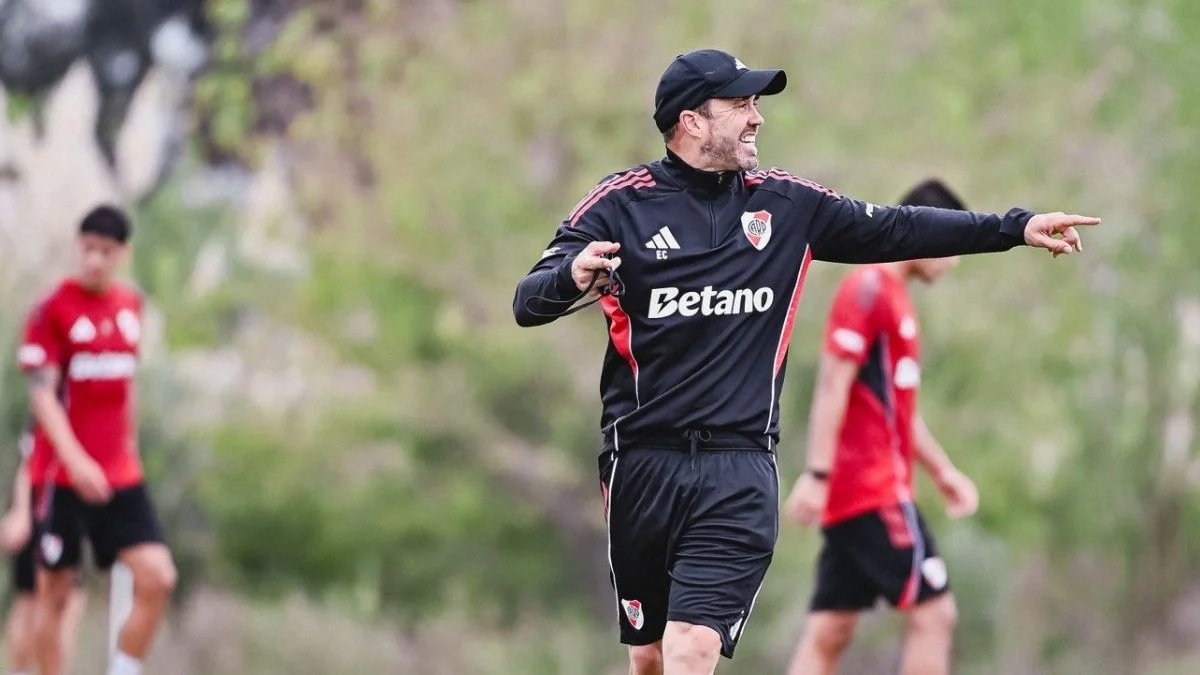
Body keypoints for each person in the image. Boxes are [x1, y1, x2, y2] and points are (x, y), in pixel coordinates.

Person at [511, 48, 1099, 675]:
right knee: (650, 655)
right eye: (740, 104)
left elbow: (898, 227)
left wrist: (1014, 227)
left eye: (756, 103)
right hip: (642, 465)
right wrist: (572, 277)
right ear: (691, 121)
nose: (756, 117)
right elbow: (528, 301)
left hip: (738, 467)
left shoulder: (789, 206)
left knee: (691, 647)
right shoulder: (620, 204)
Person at [783, 179, 982, 675]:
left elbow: (898, 412)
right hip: (872, 490)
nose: (954, 260)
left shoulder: (896, 298)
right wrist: (817, 474)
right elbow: (832, 382)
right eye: (952, 243)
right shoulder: (868, 288)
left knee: (831, 630)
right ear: (928, 232)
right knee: (935, 615)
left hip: (857, 495)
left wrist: (942, 471)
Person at [17, 205, 177, 675]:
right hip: (62, 477)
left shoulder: (130, 306)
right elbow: (42, 396)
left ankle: (124, 669)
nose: (94, 260)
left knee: (158, 576)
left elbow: (128, 386)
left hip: (119, 475)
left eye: (105, 251)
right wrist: (77, 461)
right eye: (87, 248)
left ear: (123, 254)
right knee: (55, 595)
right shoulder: (52, 309)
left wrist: (129, 444)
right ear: (77, 246)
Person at [0, 423, 87, 675]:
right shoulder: (51, 402)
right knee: (32, 599)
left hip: (72, 509)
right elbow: (30, 457)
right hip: (43, 509)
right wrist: (21, 511)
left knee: (68, 600)